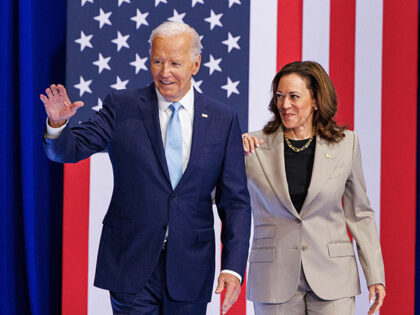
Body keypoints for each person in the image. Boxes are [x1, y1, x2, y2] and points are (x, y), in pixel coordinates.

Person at [41, 21, 251, 315]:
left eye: (175, 63)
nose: (165, 72)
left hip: (191, 266)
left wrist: (233, 268)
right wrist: (57, 125)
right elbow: (68, 150)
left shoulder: (222, 118)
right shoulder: (122, 105)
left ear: (196, 64)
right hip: (131, 263)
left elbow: (236, 203)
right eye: (157, 61)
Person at [242, 61, 385, 315]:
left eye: (294, 96)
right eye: (280, 97)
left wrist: (374, 274)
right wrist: (230, 157)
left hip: (333, 275)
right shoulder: (252, 145)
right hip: (274, 277)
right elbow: (215, 195)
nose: (285, 105)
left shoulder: (346, 144)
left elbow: (360, 214)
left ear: (316, 100)